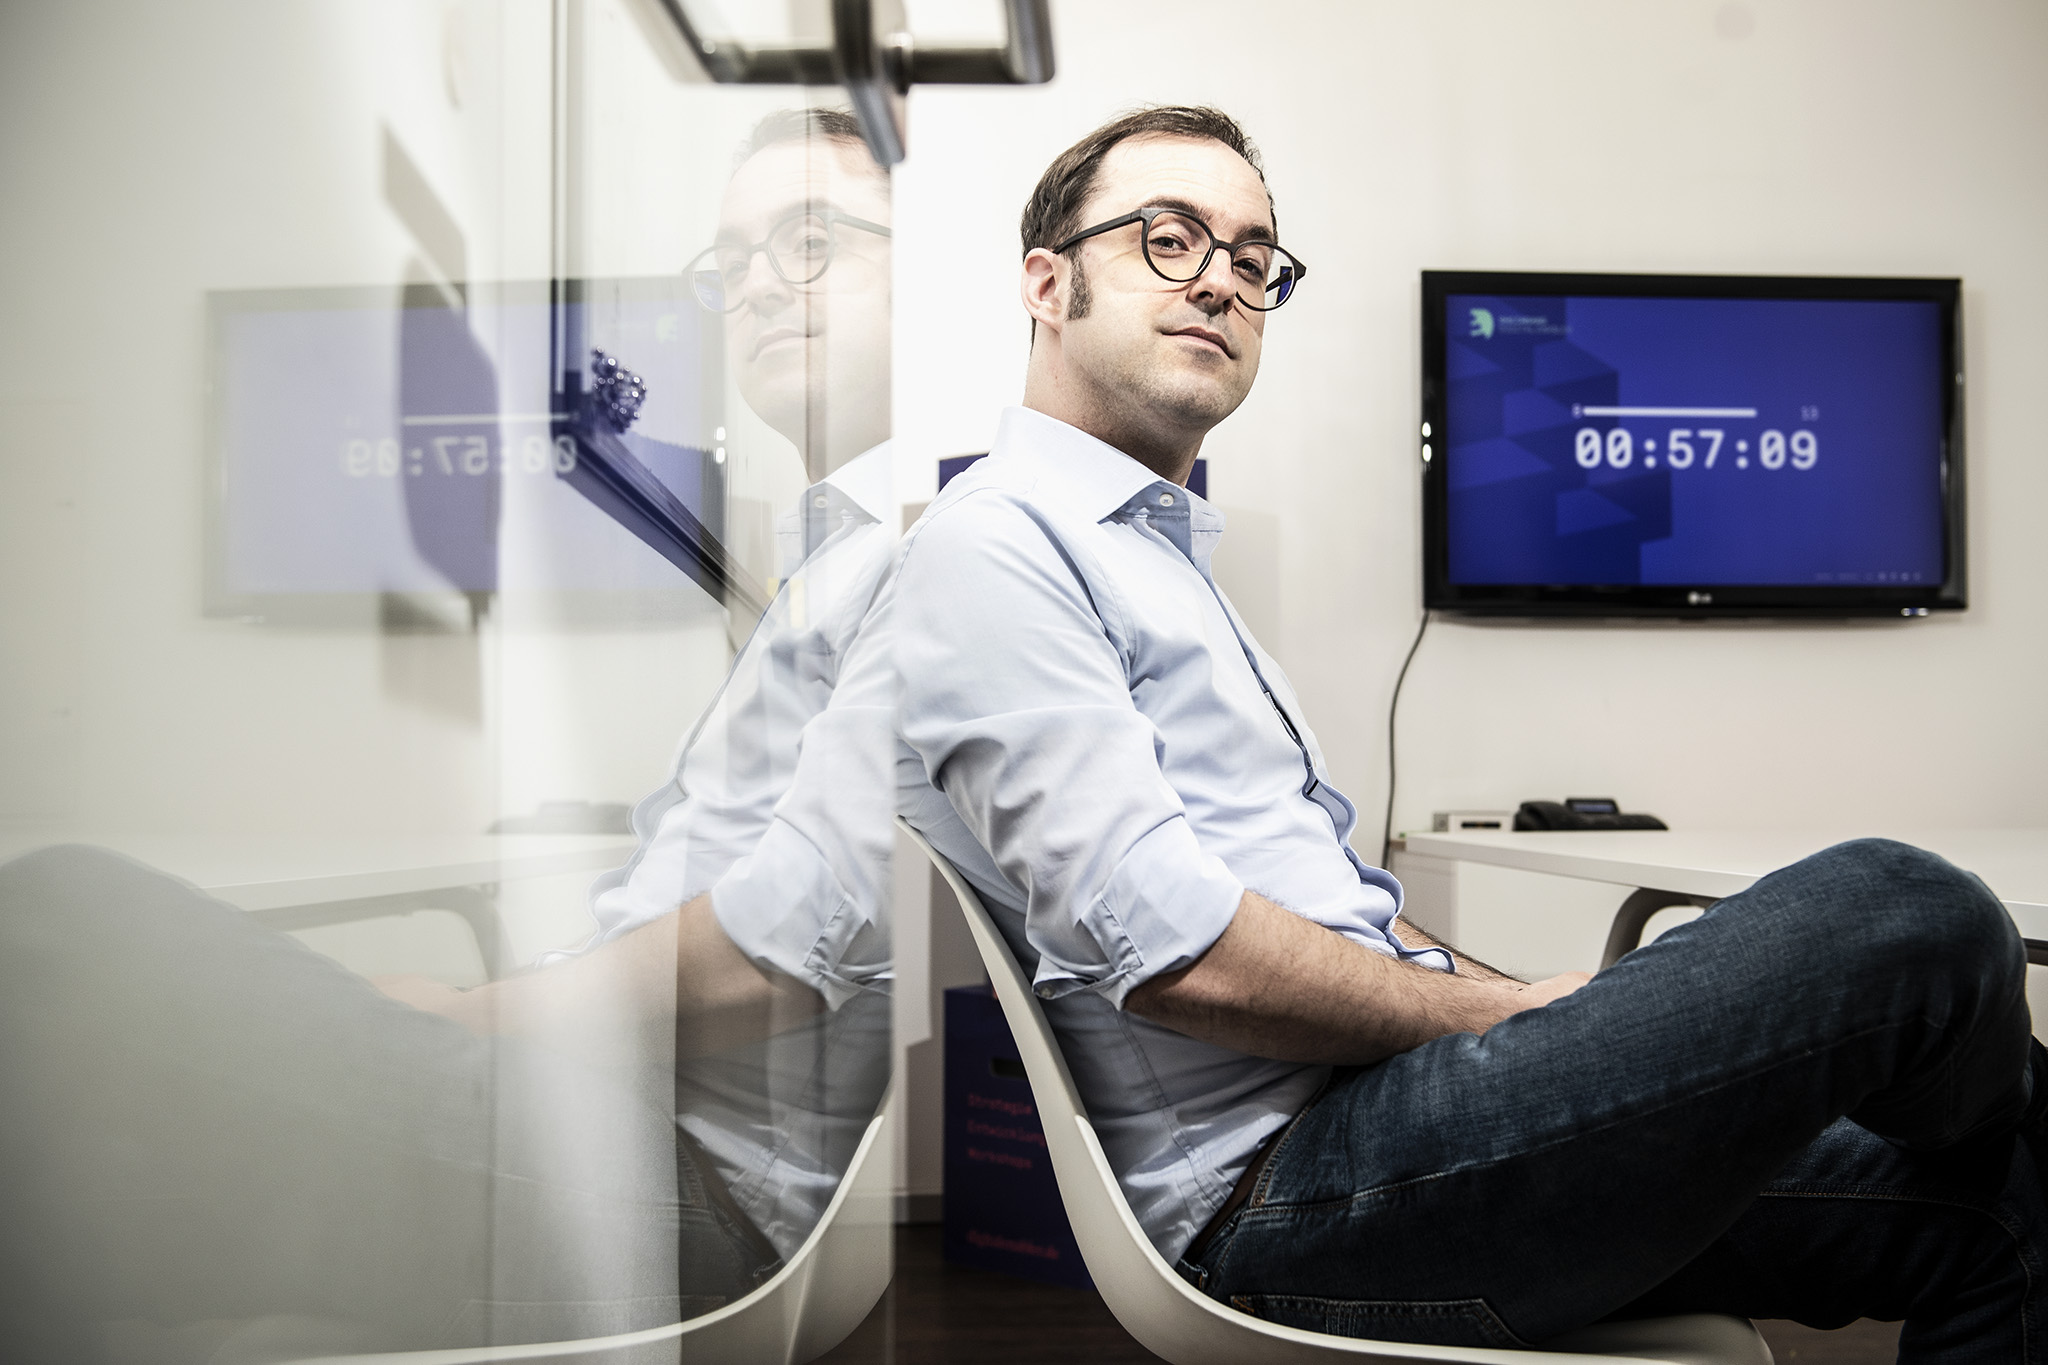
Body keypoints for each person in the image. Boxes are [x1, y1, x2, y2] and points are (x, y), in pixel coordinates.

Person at [891, 105, 2045, 1359]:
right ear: (1046, 283)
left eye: (1252, 258)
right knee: (1904, 909)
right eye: (1167, 241)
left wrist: (1535, 1005)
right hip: (1286, 1196)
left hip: (1387, 1123)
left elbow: (1344, 918)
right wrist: (1515, 1022)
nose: (1219, 281)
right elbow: (1177, 957)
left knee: (2012, 1206)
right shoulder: (995, 547)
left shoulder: (1155, 558)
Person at [0, 107, 895, 1362]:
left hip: (675, 1190)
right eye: (731, 260)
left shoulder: (917, 565)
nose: (755, 286)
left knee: (59, 918)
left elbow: (778, 956)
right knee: (92, 1138)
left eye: (808, 241)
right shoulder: (828, 561)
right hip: (628, 1125)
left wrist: (465, 1012)